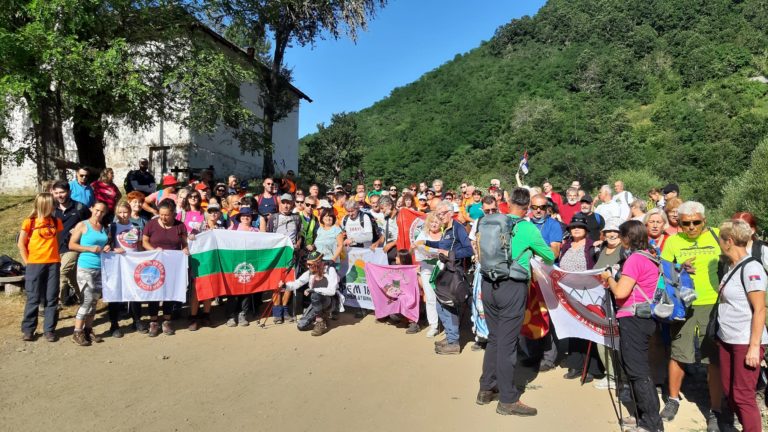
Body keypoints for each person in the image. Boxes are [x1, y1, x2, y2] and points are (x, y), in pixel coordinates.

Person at [476, 188, 555, 416]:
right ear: (527, 207)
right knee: (508, 343)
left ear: (508, 202)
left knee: (494, 337)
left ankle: (486, 388)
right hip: (512, 286)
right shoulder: (528, 228)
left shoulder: (490, 221)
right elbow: (550, 256)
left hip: (488, 283)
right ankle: (508, 399)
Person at [659, 201, 723, 428]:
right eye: (686, 223)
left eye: (696, 222)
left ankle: (715, 410)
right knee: (679, 353)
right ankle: (673, 399)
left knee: (713, 358)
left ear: (704, 220)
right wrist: (679, 268)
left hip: (713, 304)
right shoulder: (673, 241)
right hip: (683, 305)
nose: (692, 227)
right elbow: (663, 272)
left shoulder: (717, 236)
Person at [600, 220, 664, 432]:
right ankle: (642, 416)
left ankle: (651, 423)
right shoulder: (650, 255)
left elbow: (620, 292)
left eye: (621, 236)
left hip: (634, 318)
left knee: (638, 371)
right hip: (643, 317)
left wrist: (609, 278)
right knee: (636, 368)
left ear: (627, 238)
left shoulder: (635, 259)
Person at [714, 220, 767, 432]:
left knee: (743, 396)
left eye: (720, 239)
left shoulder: (751, 268)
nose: (719, 243)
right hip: (727, 339)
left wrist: (754, 347)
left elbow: (760, 309)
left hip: (745, 341)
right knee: (730, 392)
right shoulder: (731, 266)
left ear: (729, 241)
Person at [419, 200, 473, 354]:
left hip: (453, 273)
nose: (439, 216)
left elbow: (469, 250)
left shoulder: (458, 228)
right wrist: (426, 242)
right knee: (441, 305)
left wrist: (450, 254)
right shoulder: (446, 228)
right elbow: (443, 245)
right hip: (444, 272)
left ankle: (453, 342)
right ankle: (450, 336)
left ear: (450, 213)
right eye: (438, 214)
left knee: (448, 306)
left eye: (442, 213)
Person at [559, 215, 602, 382]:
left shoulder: (593, 246)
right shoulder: (566, 246)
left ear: (586, 230)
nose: (576, 229)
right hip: (568, 294)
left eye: (580, 227)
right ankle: (575, 364)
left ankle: (590, 367)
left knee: (588, 329)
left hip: (587, 293)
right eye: (573, 226)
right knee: (573, 329)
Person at [18, 193, 64, 342]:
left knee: (52, 297)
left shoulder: (56, 221)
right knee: (33, 297)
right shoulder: (29, 222)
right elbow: (21, 244)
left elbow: (57, 241)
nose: (55, 206)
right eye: (52, 203)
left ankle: (49, 330)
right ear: (44, 205)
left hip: (53, 264)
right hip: (35, 264)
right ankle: (28, 330)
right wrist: (28, 262)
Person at [142, 199, 190, 337]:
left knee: (169, 292)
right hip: (154, 264)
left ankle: (167, 321)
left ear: (173, 213)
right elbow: (144, 242)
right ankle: (153, 322)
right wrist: (153, 250)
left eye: (166, 215)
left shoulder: (180, 226)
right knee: (154, 292)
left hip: (172, 264)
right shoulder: (151, 224)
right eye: (161, 214)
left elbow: (184, 243)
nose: (163, 217)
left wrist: (185, 249)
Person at [68, 201, 110, 346]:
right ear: (92, 209)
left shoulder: (103, 228)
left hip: (100, 267)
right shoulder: (82, 225)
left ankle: (88, 329)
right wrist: (89, 248)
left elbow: (103, 244)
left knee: (94, 301)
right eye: (97, 210)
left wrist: (107, 247)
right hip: (86, 266)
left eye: (102, 211)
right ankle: (77, 332)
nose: (99, 213)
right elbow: (72, 245)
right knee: (87, 300)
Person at [107, 200, 147, 336]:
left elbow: (139, 246)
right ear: (116, 213)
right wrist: (114, 249)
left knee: (135, 292)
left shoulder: (136, 227)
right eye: (120, 212)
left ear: (130, 212)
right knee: (115, 293)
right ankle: (114, 324)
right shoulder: (112, 227)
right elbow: (107, 246)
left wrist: (143, 258)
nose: (123, 215)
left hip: (133, 264)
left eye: (125, 212)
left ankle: (136, 320)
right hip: (117, 264)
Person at [187, 202, 227, 331]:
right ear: (206, 213)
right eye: (211, 211)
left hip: (214, 262)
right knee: (196, 289)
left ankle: (206, 315)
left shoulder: (222, 229)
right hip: (200, 262)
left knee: (210, 288)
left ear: (220, 214)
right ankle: (193, 317)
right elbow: (189, 241)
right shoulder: (198, 227)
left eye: (216, 211)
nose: (213, 214)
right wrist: (191, 237)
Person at [278, 251, 339, 336]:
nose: (308, 266)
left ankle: (320, 322)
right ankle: (322, 316)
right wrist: (285, 285)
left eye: (310, 264)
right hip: (317, 302)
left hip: (329, 302)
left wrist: (313, 290)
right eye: (307, 264)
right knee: (301, 326)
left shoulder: (330, 270)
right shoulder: (310, 272)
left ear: (318, 263)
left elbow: (332, 291)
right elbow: (298, 283)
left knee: (315, 295)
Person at [51, 180, 90, 306]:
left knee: (62, 273)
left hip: (72, 248)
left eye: (62, 192)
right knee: (72, 277)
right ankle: (84, 299)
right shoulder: (51, 210)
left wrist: (79, 230)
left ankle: (56, 303)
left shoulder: (80, 208)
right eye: (56, 193)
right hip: (55, 248)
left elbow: (90, 225)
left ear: (69, 192)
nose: (59, 195)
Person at [265, 194, 303, 324]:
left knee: (289, 282)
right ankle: (277, 311)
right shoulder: (273, 218)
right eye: (284, 202)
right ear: (280, 203)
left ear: (292, 204)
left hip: (291, 254)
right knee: (276, 282)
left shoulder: (296, 218)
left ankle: (285, 310)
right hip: (277, 255)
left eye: (289, 203)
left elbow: (300, 234)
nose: (286, 205)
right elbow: (268, 236)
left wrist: (298, 243)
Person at [412, 212, 443, 338]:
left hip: (442, 268)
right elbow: (416, 247)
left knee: (443, 296)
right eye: (432, 222)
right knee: (430, 297)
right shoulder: (423, 234)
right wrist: (415, 247)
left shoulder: (444, 234)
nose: (434, 224)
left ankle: (446, 323)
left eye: (436, 222)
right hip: (426, 268)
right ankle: (433, 325)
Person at [379, 196, 399, 264]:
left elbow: (404, 237)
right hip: (388, 253)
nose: (381, 211)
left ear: (390, 206)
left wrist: (391, 244)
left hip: (397, 254)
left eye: (382, 208)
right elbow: (385, 234)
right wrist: (377, 243)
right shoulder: (386, 217)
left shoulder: (399, 217)